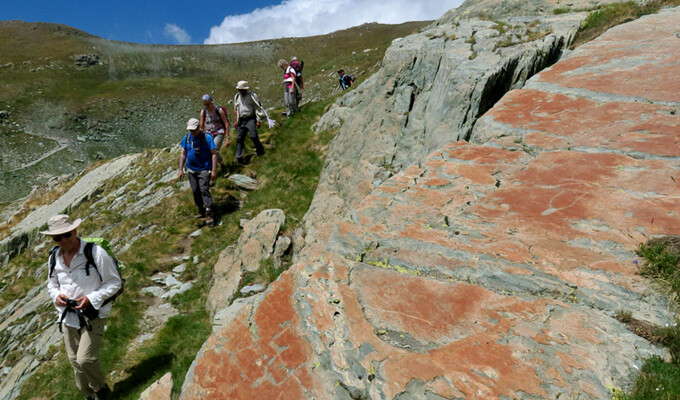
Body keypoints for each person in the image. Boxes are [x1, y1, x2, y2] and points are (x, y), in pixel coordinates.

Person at [42, 214, 121, 400]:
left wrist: (91, 298)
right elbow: (51, 284)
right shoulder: (54, 257)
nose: (63, 240)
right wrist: (57, 296)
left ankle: (101, 390)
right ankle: (89, 395)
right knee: (75, 363)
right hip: (68, 317)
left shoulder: (95, 252)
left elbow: (114, 282)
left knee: (85, 359)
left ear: (75, 231)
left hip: (92, 314)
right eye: (57, 238)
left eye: (67, 235)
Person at [179, 117, 218, 225]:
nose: (192, 132)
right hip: (191, 169)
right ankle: (201, 210)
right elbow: (183, 154)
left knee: (204, 189)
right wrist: (180, 169)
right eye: (190, 130)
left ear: (199, 128)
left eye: (194, 130)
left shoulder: (207, 137)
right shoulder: (186, 138)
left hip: (204, 169)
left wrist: (214, 170)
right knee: (195, 190)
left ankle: (209, 213)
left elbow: (214, 154)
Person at [233, 81, 266, 164]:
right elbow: (235, 109)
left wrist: (258, 120)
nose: (240, 91)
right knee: (239, 138)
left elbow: (257, 107)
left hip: (250, 118)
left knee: (253, 135)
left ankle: (260, 150)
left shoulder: (252, 95)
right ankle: (239, 157)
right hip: (241, 120)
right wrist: (235, 121)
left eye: (242, 89)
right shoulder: (237, 96)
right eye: (239, 89)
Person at [199, 94, 230, 166]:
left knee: (214, 150)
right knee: (207, 150)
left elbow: (226, 123)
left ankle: (220, 167)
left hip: (219, 132)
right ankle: (217, 166)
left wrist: (227, 137)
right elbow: (201, 126)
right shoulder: (203, 112)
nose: (207, 106)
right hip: (208, 133)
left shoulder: (219, 110)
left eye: (208, 104)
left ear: (212, 102)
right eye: (205, 104)